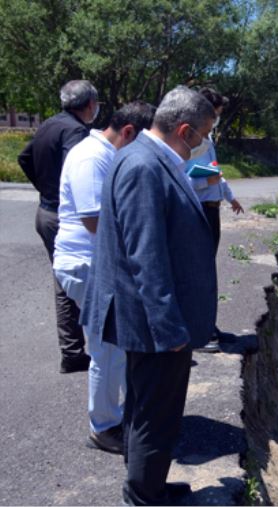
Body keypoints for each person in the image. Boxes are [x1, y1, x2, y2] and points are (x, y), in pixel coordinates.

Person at [80, 86, 218, 505]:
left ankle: (147, 486)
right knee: (155, 416)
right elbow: (146, 256)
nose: (204, 143)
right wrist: (169, 327)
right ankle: (144, 496)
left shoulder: (149, 157)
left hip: (150, 319)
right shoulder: (144, 165)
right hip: (153, 322)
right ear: (184, 129)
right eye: (204, 134)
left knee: (145, 409)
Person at [53, 102, 156, 455]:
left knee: (115, 347)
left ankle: (116, 416)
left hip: (99, 264)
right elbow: (95, 221)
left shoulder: (104, 153)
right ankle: (104, 427)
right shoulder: (90, 159)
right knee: (107, 350)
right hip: (86, 264)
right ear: (128, 132)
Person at [18, 80, 98, 373]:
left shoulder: (49, 124)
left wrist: (45, 188)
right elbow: (78, 171)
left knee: (64, 280)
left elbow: (24, 157)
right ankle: (75, 352)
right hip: (62, 216)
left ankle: (73, 349)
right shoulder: (76, 132)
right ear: (90, 104)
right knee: (71, 281)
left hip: (45, 211)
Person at [185, 87, 243, 353]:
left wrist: (229, 196)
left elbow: (215, 174)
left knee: (207, 271)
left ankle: (207, 324)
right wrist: (204, 181)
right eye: (215, 115)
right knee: (198, 272)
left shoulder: (207, 141)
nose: (216, 121)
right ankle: (200, 331)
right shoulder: (190, 142)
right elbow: (183, 180)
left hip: (211, 209)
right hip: (198, 212)